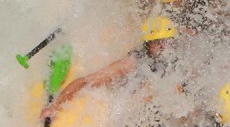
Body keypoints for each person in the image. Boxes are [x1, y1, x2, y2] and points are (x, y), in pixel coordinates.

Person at [42, 12, 179, 118]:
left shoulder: (177, 59)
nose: (163, 47)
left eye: (167, 41)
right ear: (148, 45)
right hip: (133, 108)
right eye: (158, 42)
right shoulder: (131, 64)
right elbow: (86, 81)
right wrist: (56, 104)